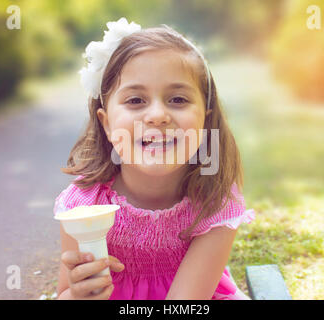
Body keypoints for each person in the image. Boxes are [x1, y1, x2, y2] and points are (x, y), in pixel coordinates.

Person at [53, 18, 255, 300]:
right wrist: (78, 296)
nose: (158, 115)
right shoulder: (83, 204)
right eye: (136, 100)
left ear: (204, 122)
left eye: (178, 100)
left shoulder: (214, 202)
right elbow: (64, 293)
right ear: (107, 123)